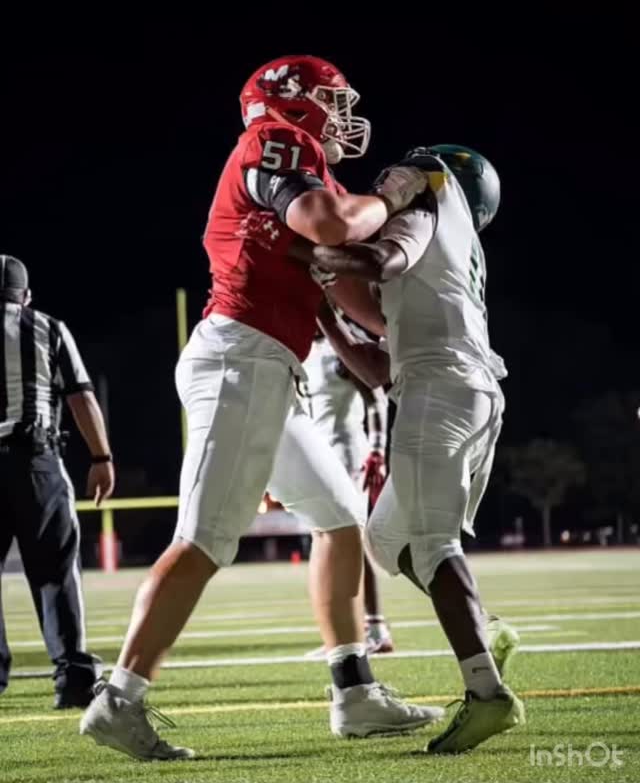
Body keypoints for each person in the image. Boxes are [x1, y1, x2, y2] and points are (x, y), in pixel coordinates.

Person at [80, 55, 442, 761]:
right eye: (334, 100)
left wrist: (425, 330)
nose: (345, 115)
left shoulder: (312, 171)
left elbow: (352, 294)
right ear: (296, 101)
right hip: (241, 358)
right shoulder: (277, 143)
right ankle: (117, 699)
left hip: (271, 366)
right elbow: (330, 223)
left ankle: (354, 691)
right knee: (205, 538)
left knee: (341, 519)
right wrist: (393, 201)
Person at [291, 145, 525, 754]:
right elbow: (374, 366)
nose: (390, 181)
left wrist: (316, 255)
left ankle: (487, 693)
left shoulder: (426, 205)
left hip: (443, 395)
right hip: (459, 392)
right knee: (385, 539)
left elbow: (384, 258)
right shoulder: (453, 254)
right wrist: (323, 310)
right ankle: (483, 630)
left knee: (431, 544)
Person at [0, 255, 114, 708]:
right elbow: (81, 396)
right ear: (25, 296)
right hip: (34, 462)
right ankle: (73, 678)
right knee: (56, 571)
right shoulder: (46, 327)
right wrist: (101, 456)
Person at [302, 332, 393, 654]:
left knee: (348, 537)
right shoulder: (302, 349)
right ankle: (345, 637)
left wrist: (378, 449)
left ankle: (375, 628)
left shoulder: (337, 348)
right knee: (329, 539)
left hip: (347, 452)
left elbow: (376, 396)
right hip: (319, 452)